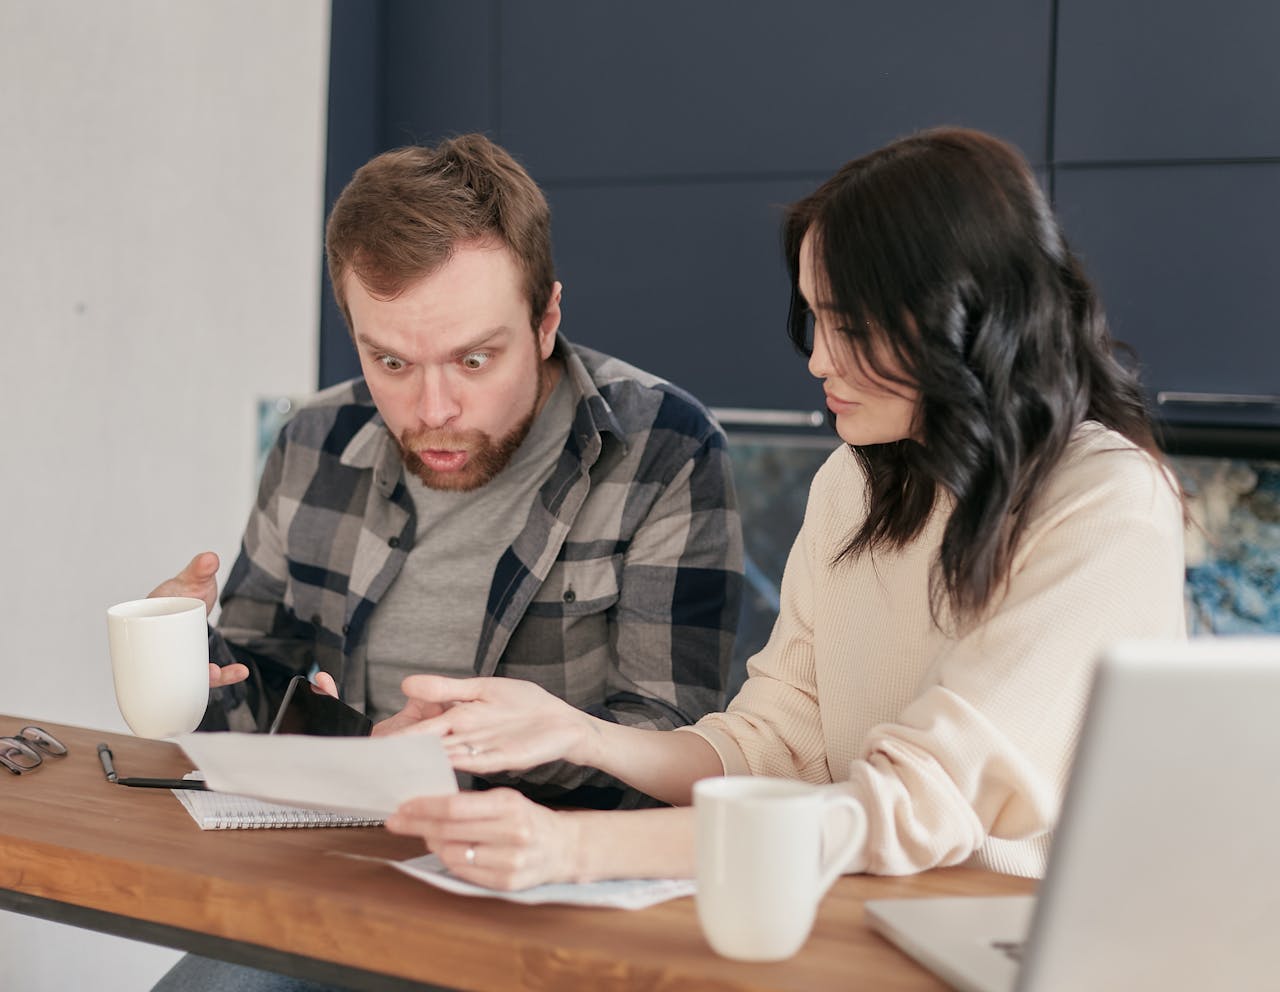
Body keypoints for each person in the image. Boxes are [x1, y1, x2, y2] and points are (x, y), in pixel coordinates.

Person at [374, 127, 1187, 888]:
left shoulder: (1106, 502)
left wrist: (574, 846)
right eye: (814, 319)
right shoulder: (857, 481)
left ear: (962, 317)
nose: (820, 360)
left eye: (852, 326)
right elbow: (769, 744)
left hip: (1026, 948)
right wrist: (578, 734)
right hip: (869, 924)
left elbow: (912, 805)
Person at [148, 134, 744, 813]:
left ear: (546, 320)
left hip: (562, 873)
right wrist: (184, 656)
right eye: (393, 364)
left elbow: (669, 751)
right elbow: (259, 697)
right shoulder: (314, 442)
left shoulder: (665, 449)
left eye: (474, 360)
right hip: (343, 851)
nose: (434, 411)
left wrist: (430, 760)